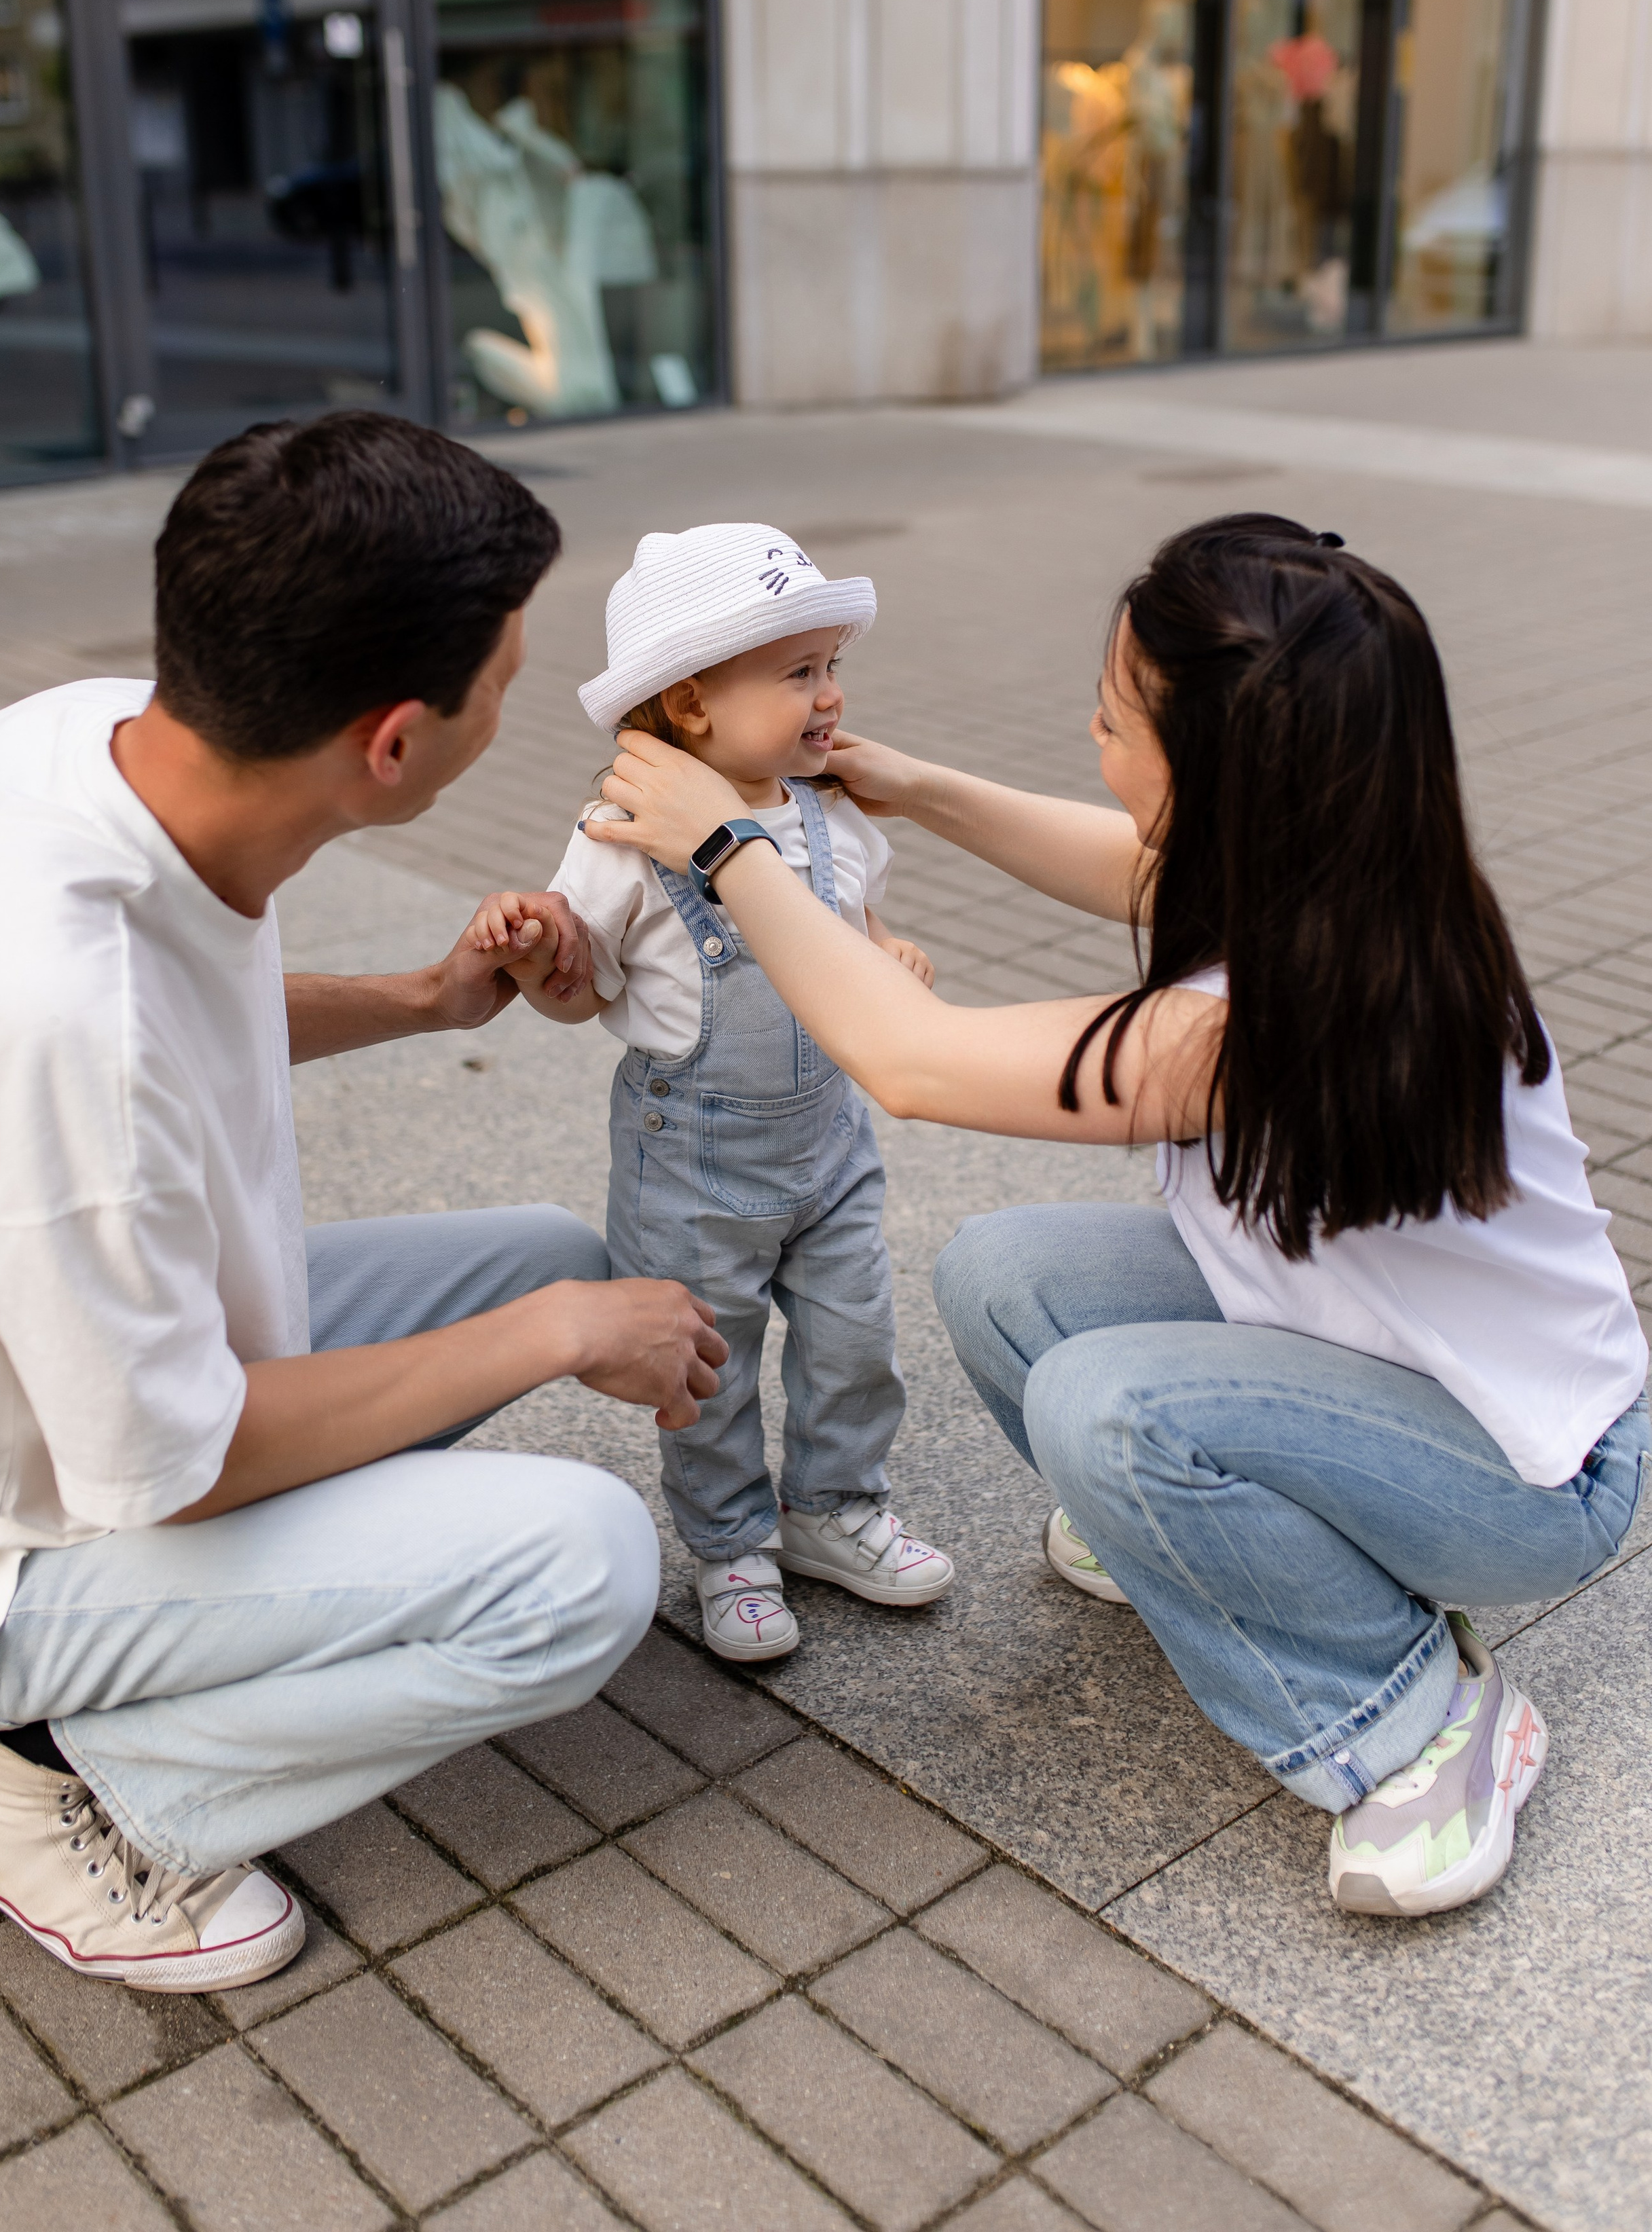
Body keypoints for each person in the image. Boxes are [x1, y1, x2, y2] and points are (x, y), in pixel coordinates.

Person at [583, 513, 1649, 1920]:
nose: (1088, 735)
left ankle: (1413, 1720)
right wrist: (898, 781)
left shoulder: (1257, 1025)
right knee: (1000, 1272)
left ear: (1212, 771)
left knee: (1108, 1406)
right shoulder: (1345, 881)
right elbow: (1119, 864)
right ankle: (1208, 1545)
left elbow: (912, 1063)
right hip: (1383, 1367)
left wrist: (728, 849)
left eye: (1106, 720)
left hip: (1527, 1478)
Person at [0, 411, 724, 1992]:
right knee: (583, 1565)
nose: (522, 695)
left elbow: (180, 1003)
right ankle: (45, 1777)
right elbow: (179, 1463)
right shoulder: (52, 1024)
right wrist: (554, 1339)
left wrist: (425, 1001)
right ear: (393, 742)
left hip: (46, 1357)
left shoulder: (99, 744)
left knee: (548, 1261)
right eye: (502, 674)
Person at [488, 522, 954, 1661]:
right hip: (692, 1158)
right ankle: (730, 1541)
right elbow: (576, 986)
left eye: (834, 666)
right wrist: (535, 948)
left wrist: (886, 950)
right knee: (709, 1358)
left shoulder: (827, 813)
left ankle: (835, 1509)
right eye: (800, 673)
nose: (831, 696)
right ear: (691, 704)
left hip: (829, 1145)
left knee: (856, 1339)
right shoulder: (623, 838)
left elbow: (848, 924)